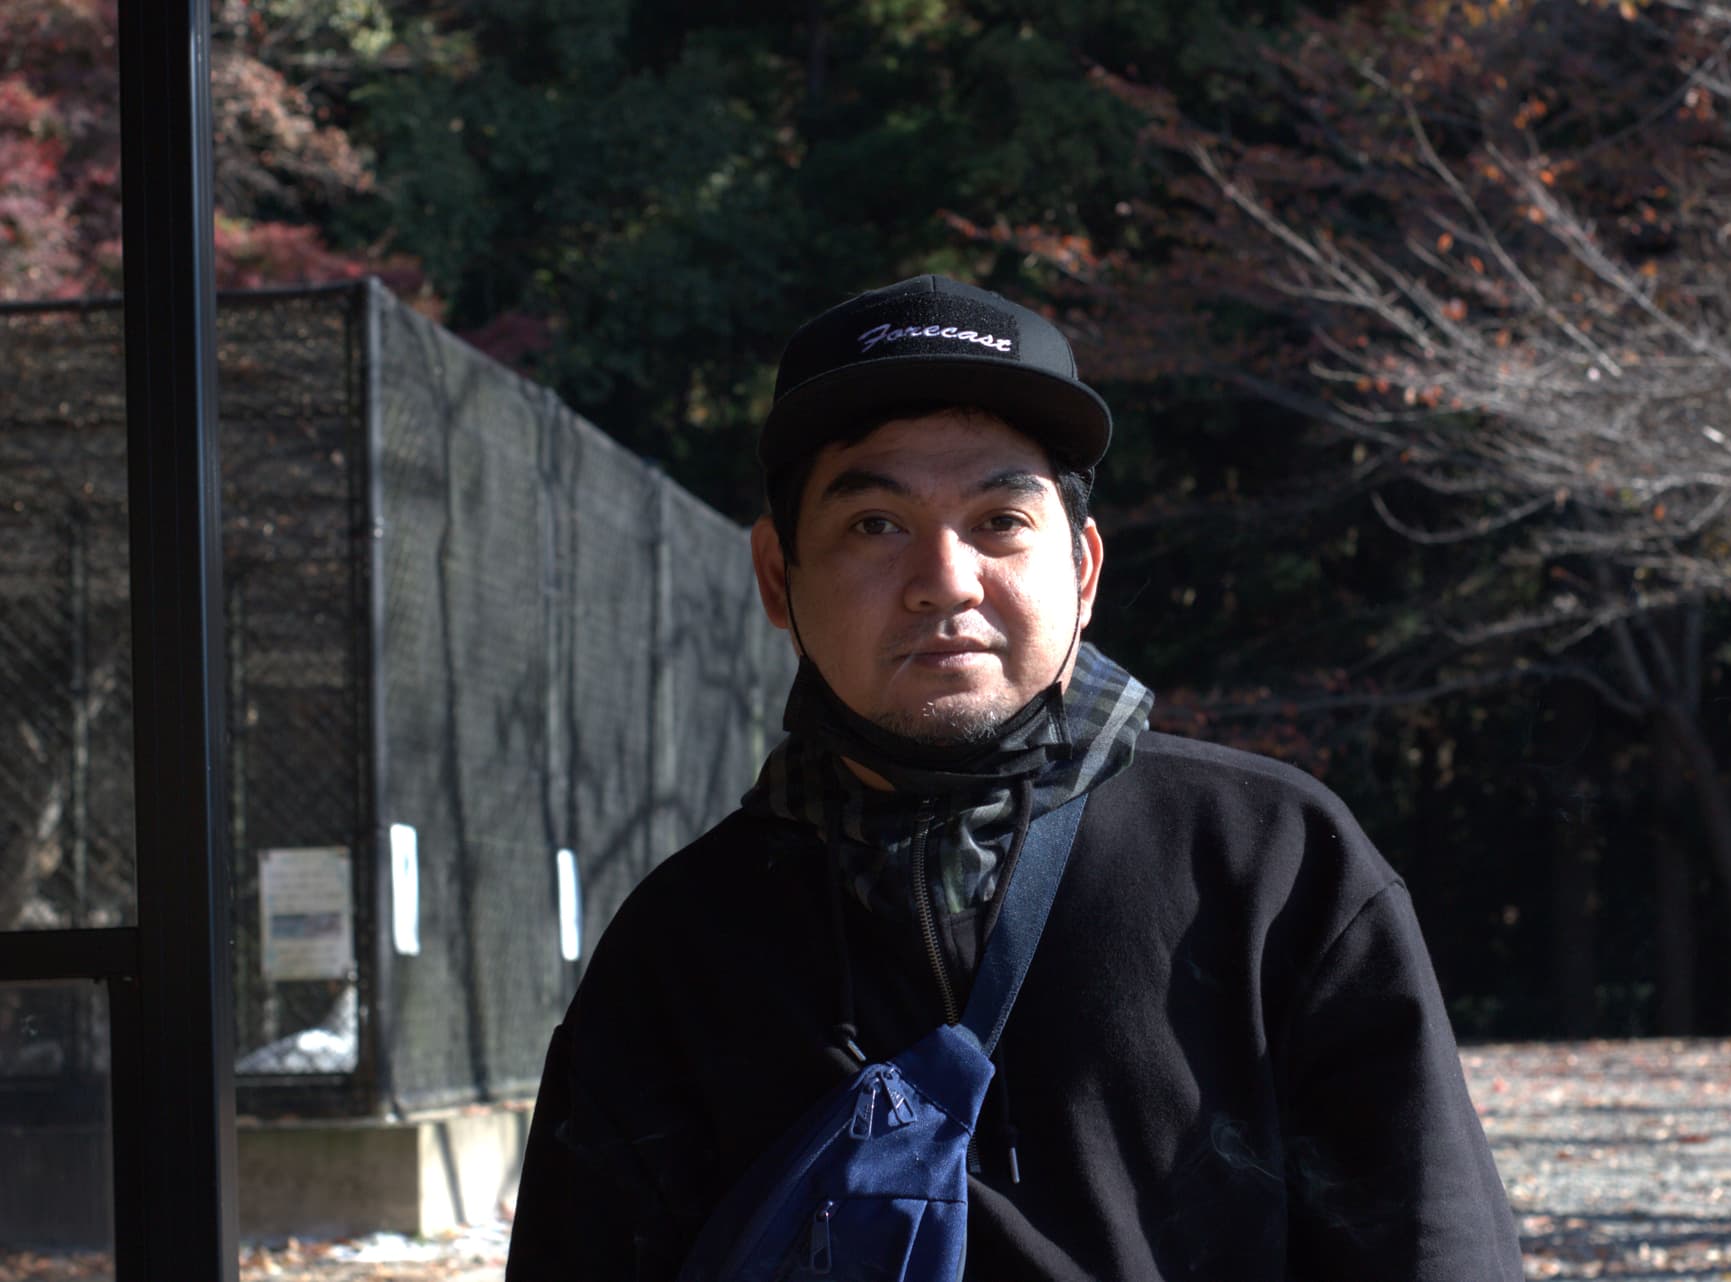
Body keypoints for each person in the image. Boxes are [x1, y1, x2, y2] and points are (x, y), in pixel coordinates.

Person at [505, 275, 1524, 1281]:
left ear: (1082, 569)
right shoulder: (683, 944)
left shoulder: (1274, 865)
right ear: (778, 575)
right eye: (875, 523)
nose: (945, 580)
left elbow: (1432, 1246)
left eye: (1000, 520)